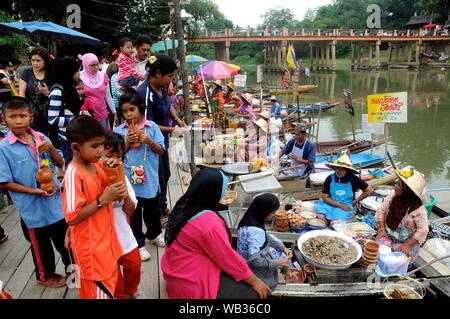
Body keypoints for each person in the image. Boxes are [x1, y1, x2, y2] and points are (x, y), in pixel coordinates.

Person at [161, 168, 272, 299]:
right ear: (212, 193)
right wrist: (255, 281)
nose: (225, 192)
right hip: (191, 283)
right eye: (223, 189)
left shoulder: (186, 200)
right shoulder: (208, 224)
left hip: (175, 264)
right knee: (253, 294)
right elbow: (227, 257)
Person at [0, 97, 70, 288]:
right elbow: (4, 183)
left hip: (55, 204)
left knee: (66, 241)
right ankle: (44, 276)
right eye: (12, 116)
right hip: (32, 209)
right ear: (3, 119)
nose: (18, 120)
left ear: (30, 117)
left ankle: (73, 270)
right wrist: (35, 191)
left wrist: (52, 149)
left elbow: (59, 163)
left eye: (23, 115)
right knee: (41, 246)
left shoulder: (41, 138)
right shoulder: (4, 148)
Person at [62, 115, 125, 299]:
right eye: (94, 146)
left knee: (109, 288)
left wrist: (115, 169)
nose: (101, 151)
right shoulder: (73, 175)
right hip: (92, 254)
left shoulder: (97, 165)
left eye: (102, 145)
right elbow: (72, 217)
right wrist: (102, 200)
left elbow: (117, 191)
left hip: (106, 246)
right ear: (75, 147)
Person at [115, 88, 166, 261]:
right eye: (124, 111)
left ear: (141, 108)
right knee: (134, 214)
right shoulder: (119, 131)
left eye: (132, 110)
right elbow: (116, 155)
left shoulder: (151, 128)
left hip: (149, 179)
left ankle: (154, 233)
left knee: (152, 209)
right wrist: (127, 143)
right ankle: (138, 243)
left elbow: (161, 151)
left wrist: (149, 141)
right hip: (129, 180)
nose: (128, 115)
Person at [137, 54, 185, 217]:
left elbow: (168, 105)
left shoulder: (162, 87)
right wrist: (172, 130)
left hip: (162, 142)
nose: (171, 80)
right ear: (158, 73)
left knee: (165, 174)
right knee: (157, 178)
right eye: (170, 76)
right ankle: (157, 213)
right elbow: (146, 124)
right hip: (150, 145)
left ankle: (162, 208)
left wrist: (177, 120)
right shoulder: (145, 92)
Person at [102, 131, 145, 299]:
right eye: (109, 155)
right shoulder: (92, 180)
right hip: (104, 243)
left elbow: (130, 210)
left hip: (124, 236)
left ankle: (131, 290)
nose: (114, 160)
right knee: (114, 280)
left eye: (119, 156)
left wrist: (124, 191)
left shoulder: (122, 177)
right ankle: (121, 294)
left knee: (134, 265)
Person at [237, 193, 292, 290]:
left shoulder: (249, 219)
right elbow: (255, 262)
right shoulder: (256, 232)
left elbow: (266, 238)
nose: (274, 215)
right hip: (253, 269)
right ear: (264, 210)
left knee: (279, 248)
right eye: (272, 212)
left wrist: (283, 248)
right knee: (284, 260)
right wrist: (277, 263)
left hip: (243, 259)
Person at [375, 166, 429, 261]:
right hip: (389, 234)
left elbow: (423, 229)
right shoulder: (392, 197)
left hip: (407, 241)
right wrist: (382, 230)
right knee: (377, 251)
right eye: (396, 183)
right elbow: (381, 212)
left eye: (398, 185)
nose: (395, 186)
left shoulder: (418, 209)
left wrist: (407, 245)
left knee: (399, 259)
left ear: (407, 190)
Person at [315, 152, 373, 223]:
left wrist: (354, 202)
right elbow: (325, 197)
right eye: (337, 168)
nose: (339, 171)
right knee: (320, 219)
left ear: (347, 170)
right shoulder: (329, 178)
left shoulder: (353, 179)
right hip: (330, 204)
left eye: (342, 169)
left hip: (346, 206)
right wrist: (339, 205)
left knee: (335, 224)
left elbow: (369, 190)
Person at [48, 57, 82, 166]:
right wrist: (75, 120)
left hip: (74, 134)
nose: (79, 74)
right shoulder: (57, 91)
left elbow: (70, 110)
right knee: (71, 166)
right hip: (65, 137)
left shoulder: (69, 87)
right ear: (68, 72)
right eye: (77, 71)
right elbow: (52, 119)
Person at [19, 47, 53, 133]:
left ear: (45, 60)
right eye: (33, 60)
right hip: (31, 112)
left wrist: (46, 93)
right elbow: (21, 94)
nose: (35, 63)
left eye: (38, 60)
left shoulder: (52, 73)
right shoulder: (26, 72)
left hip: (49, 112)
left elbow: (57, 94)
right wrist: (23, 112)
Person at [80, 53, 117, 129]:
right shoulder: (80, 77)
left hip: (101, 113)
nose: (96, 67)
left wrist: (114, 112)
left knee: (102, 137)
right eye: (92, 65)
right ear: (86, 65)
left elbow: (108, 96)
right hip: (86, 114)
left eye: (97, 64)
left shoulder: (102, 76)